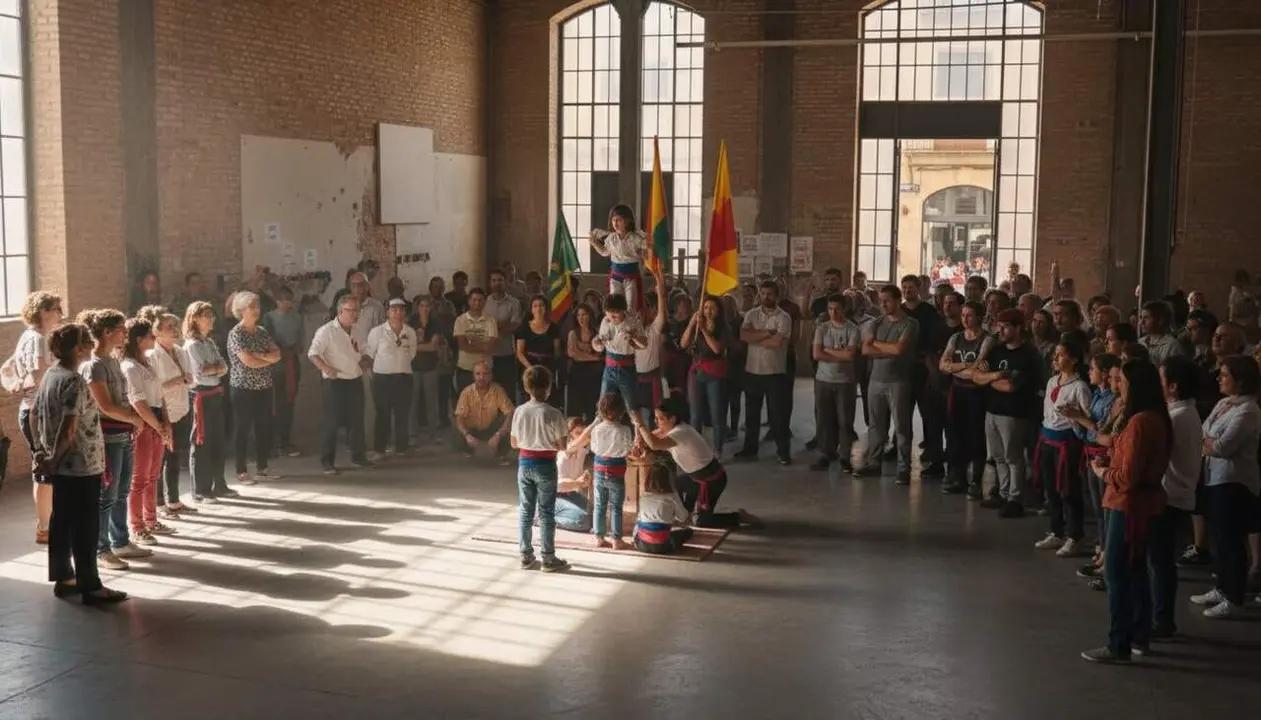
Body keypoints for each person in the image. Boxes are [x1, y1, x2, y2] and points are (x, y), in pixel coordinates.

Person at [1081, 361, 1172, 664]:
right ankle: (1139, 636)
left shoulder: (1139, 422)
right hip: (1147, 501)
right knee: (1136, 572)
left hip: (1129, 504)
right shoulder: (1156, 417)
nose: (1117, 385)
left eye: (1122, 381)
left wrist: (1103, 472)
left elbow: (1127, 477)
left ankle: (1118, 643)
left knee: (1118, 573)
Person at [32, 323, 127, 605]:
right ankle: (91, 585)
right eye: (87, 341)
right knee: (85, 526)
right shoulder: (73, 380)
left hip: (60, 464)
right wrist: (53, 458)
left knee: (62, 521)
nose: (90, 345)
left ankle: (65, 578)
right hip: (80, 464)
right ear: (79, 348)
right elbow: (69, 427)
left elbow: (34, 414)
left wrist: (42, 452)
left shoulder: (51, 374)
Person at [77, 309, 149, 571]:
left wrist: (132, 421)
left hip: (123, 433)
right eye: (121, 329)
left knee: (121, 492)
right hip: (107, 437)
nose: (125, 334)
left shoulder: (113, 360)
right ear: (106, 332)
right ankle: (101, 549)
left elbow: (123, 397)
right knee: (106, 495)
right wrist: (134, 419)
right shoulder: (94, 365)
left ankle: (120, 541)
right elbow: (105, 405)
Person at [1193, 355, 1261, 619]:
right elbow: (1201, 433)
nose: (1219, 378)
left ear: (1240, 380)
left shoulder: (1249, 410)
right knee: (1218, 536)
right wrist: (1209, 442)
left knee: (1231, 540)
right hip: (1213, 476)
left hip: (1234, 481)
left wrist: (1209, 443)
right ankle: (1222, 587)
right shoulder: (1223, 403)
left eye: (1224, 375)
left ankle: (1234, 596)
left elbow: (1224, 447)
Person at [631, 396, 761, 529]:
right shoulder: (669, 429)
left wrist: (640, 424)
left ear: (673, 419)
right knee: (674, 485)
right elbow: (649, 440)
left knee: (701, 522)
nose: (656, 421)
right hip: (695, 478)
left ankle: (737, 517)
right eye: (656, 418)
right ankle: (685, 514)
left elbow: (654, 444)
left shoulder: (681, 432)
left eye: (660, 418)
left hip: (712, 480)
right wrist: (638, 441)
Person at [1149, 356, 1202, 639]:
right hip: (1175, 493)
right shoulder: (1183, 413)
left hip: (1168, 495)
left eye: (1161, 379)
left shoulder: (1177, 418)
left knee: (1159, 562)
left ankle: (1162, 619)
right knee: (1161, 561)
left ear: (1173, 386)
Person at [973, 309, 1044, 516]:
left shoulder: (1028, 354)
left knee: (1013, 457)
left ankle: (1015, 498)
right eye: (999, 326)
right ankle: (1003, 494)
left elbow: (1011, 386)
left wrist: (988, 379)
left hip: (1014, 412)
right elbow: (976, 375)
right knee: (998, 456)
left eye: (1005, 327)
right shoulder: (996, 351)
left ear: (1018, 328)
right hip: (992, 410)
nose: (1000, 331)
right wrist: (996, 376)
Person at [1061, 353, 1122, 584]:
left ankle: (1107, 555)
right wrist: (1075, 418)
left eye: (1093, 369)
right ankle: (1102, 550)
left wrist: (1082, 419)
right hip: (1091, 455)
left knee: (1106, 509)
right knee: (1098, 509)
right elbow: (1088, 433)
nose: (1089, 373)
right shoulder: (1096, 395)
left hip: (1104, 457)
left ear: (1105, 374)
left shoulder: (1113, 401)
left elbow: (1102, 432)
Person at [9, 291, 64, 544]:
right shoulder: (38, 339)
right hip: (38, 411)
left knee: (46, 468)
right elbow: (37, 375)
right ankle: (44, 527)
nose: (60, 314)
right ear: (42, 312)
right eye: (56, 309)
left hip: (37, 409)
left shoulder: (30, 336)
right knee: (45, 470)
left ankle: (47, 523)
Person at [1033, 339, 1093, 556]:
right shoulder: (1052, 381)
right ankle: (1057, 531)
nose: (1056, 359)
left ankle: (1075, 536)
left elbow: (1088, 418)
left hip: (1067, 444)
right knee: (1051, 490)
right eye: (1055, 355)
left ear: (1074, 359)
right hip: (1047, 440)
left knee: (1069, 490)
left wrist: (1075, 416)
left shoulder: (1080, 387)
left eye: (1061, 355)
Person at [508, 365, 571, 573]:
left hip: (524, 463)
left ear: (526, 388)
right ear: (549, 388)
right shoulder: (553, 413)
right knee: (546, 512)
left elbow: (514, 443)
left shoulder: (519, 411)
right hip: (546, 465)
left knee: (526, 510)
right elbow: (562, 445)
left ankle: (525, 555)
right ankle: (548, 558)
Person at [854, 285, 919, 484]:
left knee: (901, 426)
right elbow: (865, 350)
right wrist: (889, 348)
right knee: (875, 425)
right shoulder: (876, 322)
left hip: (898, 382)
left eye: (887, 300)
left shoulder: (910, 324)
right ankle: (874, 463)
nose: (883, 304)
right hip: (876, 380)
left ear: (898, 300)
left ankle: (903, 468)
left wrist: (876, 344)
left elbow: (900, 350)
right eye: (881, 300)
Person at [120, 319, 174, 546]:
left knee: (153, 475)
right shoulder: (129, 367)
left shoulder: (148, 362)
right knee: (139, 478)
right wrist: (157, 425)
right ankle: (137, 526)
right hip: (144, 423)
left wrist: (166, 422)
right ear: (139, 339)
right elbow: (138, 402)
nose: (154, 339)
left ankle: (151, 519)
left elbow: (160, 396)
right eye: (150, 336)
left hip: (157, 419)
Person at [308, 294, 372, 474]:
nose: (354, 314)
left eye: (357, 310)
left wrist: (366, 361)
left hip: (355, 380)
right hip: (335, 384)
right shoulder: (326, 331)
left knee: (357, 421)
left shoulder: (357, 330)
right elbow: (313, 353)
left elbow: (364, 351)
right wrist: (326, 368)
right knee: (332, 423)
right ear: (340, 311)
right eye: (351, 311)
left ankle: (358, 456)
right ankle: (327, 461)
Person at [939, 299, 994, 496]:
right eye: (963, 315)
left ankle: (976, 481)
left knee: (976, 436)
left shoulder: (987, 339)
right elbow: (942, 365)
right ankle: (958, 477)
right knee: (955, 434)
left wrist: (955, 367)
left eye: (969, 315)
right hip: (958, 391)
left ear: (979, 317)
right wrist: (965, 366)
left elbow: (978, 368)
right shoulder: (956, 337)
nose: (965, 319)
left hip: (977, 392)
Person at [735, 280, 793, 465]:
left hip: (775, 373)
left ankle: (783, 452)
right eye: (763, 293)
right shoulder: (752, 314)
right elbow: (744, 336)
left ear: (777, 296)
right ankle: (750, 449)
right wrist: (768, 332)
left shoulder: (784, 317)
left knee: (778, 416)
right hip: (753, 371)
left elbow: (777, 343)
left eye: (769, 294)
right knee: (752, 415)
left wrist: (756, 337)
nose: (765, 297)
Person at [226, 291, 281, 485]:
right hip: (243, 388)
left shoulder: (262, 331)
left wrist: (259, 356)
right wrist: (265, 358)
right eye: (251, 307)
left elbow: (277, 355)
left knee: (263, 427)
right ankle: (241, 470)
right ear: (241, 310)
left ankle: (262, 468)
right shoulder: (236, 333)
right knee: (243, 428)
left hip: (264, 386)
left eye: (257, 306)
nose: (256, 310)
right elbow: (248, 361)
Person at [567, 393, 634, 549]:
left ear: (601, 410)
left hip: (599, 467)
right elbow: (627, 450)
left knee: (599, 505)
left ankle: (599, 537)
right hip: (617, 469)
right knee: (616, 506)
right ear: (621, 410)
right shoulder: (625, 430)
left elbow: (594, 448)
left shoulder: (596, 429)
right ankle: (616, 539)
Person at [182, 302, 232, 502]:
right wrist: (214, 368)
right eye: (206, 316)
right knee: (202, 441)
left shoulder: (209, 342)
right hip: (201, 396)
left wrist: (215, 368)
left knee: (218, 440)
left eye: (212, 315)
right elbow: (200, 372)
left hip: (215, 393)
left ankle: (219, 484)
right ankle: (201, 490)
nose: (211, 319)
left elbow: (224, 367)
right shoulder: (192, 345)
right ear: (195, 319)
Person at [147, 313, 195, 517]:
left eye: (176, 325)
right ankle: (158, 503)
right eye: (169, 326)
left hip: (181, 409)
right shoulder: (151, 355)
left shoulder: (181, 351)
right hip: (163, 412)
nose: (175, 330)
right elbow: (153, 388)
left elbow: (191, 378)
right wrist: (177, 381)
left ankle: (174, 500)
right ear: (157, 332)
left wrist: (187, 379)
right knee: (160, 459)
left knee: (175, 457)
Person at [810, 294, 862, 472]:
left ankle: (845, 456)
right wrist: (839, 353)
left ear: (844, 309)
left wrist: (828, 350)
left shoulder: (852, 329)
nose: (833, 313)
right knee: (824, 419)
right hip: (823, 380)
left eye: (837, 309)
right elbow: (817, 354)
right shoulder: (822, 328)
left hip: (845, 382)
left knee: (845, 420)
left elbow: (850, 355)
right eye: (830, 309)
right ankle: (826, 453)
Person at [902, 274, 945, 476]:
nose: (907, 291)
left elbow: (933, 339)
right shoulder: (900, 310)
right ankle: (900, 446)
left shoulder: (929, 312)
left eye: (911, 287)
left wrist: (925, 357)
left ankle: (931, 448)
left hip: (924, 368)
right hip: (904, 368)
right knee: (903, 411)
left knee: (928, 413)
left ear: (918, 288)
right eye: (904, 288)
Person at [365, 298, 417, 457]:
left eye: (401, 310)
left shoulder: (410, 332)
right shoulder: (377, 332)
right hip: (383, 380)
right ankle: (380, 449)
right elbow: (369, 355)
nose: (397, 313)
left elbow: (412, 354)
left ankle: (401, 447)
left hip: (404, 378)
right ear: (387, 312)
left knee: (402, 414)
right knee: (383, 415)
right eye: (393, 310)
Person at [263, 285, 303, 457]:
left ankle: (286, 440)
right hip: (275, 364)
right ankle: (273, 442)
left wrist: (292, 351)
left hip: (292, 363)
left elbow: (300, 342)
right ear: (277, 301)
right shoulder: (269, 317)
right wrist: (282, 350)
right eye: (285, 300)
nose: (289, 304)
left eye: (290, 300)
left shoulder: (297, 318)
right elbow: (268, 339)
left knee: (289, 402)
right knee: (275, 403)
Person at [684, 294, 728, 452]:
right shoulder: (696, 326)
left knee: (717, 414)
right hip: (696, 373)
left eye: (712, 308)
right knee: (695, 415)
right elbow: (684, 343)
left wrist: (703, 330)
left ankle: (717, 449)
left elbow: (716, 349)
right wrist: (691, 324)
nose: (708, 311)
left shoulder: (723, 328)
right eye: (706, 307)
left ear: (718, 311)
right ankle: (696, 450)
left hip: (715, 374)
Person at [591, 294, 645, 414]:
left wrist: (634, 336)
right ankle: (600, 424)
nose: (612, 318)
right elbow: (600, 347)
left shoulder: (632, 323)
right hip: (609, 367)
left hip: (626, 367)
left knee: (632, 407)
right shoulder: (605, 321)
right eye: (609, 314)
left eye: (615, 315)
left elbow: (644, 345)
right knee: (602, 404)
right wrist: (596, 343)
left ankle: (637, 425)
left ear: (623, 311)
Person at [589, 204, 648, 313]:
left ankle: (630, 324)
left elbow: (647, 246)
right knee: (614, 305)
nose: (615, 223)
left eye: (619, 220)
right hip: (616, 277)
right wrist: (595, 243)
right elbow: (605, 252)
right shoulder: (611, 238)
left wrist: (647, 238)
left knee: (631, 308)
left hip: (631, 277)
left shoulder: (635, 238)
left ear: (628, 220)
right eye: (613, 220)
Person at [454, 360, 515, 463]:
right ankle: (467, 451)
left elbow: (510, 413)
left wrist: (498, 434)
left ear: (491, 375)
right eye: (478, 374)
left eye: (485, 374)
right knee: (457, 424)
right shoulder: (466, 392)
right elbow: (459, 417)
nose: (481, 377)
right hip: (472, 429)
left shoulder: (498, 390)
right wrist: (466, 435)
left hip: (490, 428)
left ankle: (501, 453)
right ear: (473, 376)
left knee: (511, 421)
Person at [411, 295, 451, 443]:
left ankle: (433, 433)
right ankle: (412, 434)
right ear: (417, 307)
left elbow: (433, 346)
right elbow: (408, 345)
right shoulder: (411, 321)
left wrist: (416, 346)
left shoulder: (435, 323)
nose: (425, 309)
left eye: (427, 306)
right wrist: (418, 346)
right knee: (412, 401)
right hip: (413, 366)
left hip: (431, 366)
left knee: (431, 401)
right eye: (422, 305)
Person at [633, 460, 693, 554]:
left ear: (648, 478)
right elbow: (683, 517)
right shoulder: (672, 496)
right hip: (663, 546)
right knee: (689, 532)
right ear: (668, 479)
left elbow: (639, 519)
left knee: (639, 525)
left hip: (641, 545)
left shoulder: (643, 497)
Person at [515, 295, 562, 405]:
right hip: (528, 367)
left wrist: (551, 368)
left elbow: (557, 351)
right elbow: (520, 353)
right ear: (531, 309)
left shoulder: (554, 328)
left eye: (541, 305)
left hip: (547, 367)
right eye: (535, 306)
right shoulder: (524, 328)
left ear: (546, 308)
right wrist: (530, 368)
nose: (538, 308)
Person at [453, 287, 498, 396]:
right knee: (465, 402)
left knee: (486, 402)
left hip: (485, 370)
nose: (477, 303)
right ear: (469, 301)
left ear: (484, 302)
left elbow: (491, 347)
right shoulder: (460, 320)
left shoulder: (491, 320)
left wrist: (472, 342)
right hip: (465, 369)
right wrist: (483, 345)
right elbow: (462, 345)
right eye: (474, 300)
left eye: (480, 300)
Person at [486, 268, 524, 395]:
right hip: (488, 353)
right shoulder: (484, 302)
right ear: (490, 283)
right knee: (490, 391)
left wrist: (495, 326)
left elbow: (515, 325)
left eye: (500, 280)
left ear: (505, 282)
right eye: (494, 280)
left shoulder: (514, 303)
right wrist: (503, 324)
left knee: (508, 391)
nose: (497, 283)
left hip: (507, 352)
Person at [554, 417, 593, 533]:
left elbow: (580, 485)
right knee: (583, 521)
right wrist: (578, 482)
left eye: (583, 433)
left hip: (570, 494)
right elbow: (558, 486)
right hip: (553, 496)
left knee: (593, 515)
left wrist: (584, 480)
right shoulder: (562, 452)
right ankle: (544, 518)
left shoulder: (582, 452)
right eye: (577, 433)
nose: (582, 437)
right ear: (569, 435)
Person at [566, 304, 603, 418]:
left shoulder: (596, 333)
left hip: (594, 372)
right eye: (578, 315)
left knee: (592, 404)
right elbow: (572, 353)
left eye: (584, 314)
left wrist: (584, 355)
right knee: (576, 406)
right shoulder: (573, 333)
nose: (581, 318)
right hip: (578, 371)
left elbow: (599, 352)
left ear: (590, 316)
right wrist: (592, 357)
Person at [1138, 300, 1185, 365]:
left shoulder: (1172, 346)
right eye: (1141, 318)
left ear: (1160, 320)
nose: (1142, 322)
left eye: (1146, 318)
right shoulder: (1140, 342)